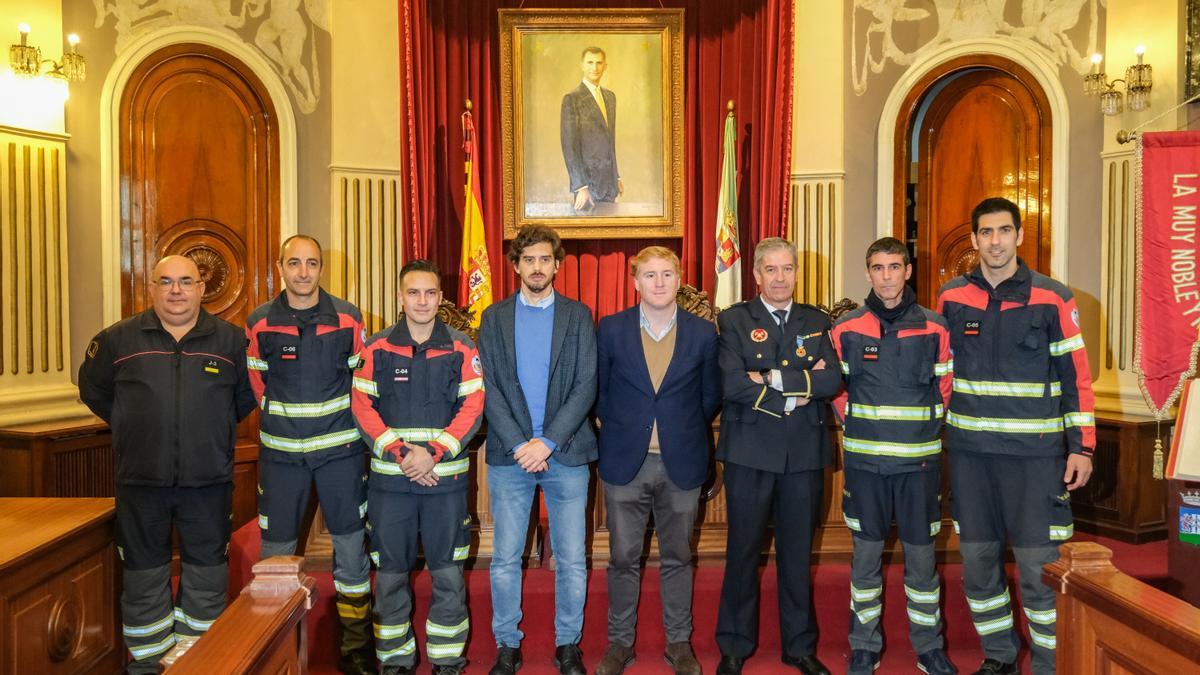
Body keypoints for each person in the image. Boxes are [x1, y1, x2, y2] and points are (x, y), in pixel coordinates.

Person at [937, 197, 1095, 675]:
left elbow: (1077, 379)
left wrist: (1081, 447)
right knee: (980, 568)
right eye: (986, 232)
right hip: (970, 461)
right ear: (975, 239)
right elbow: (939, 374)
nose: (996, 241)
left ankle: (1051, 663)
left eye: (1005, 231)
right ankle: (999, 656)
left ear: (1020, 236)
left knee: (1038, 575)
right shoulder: (951, 298)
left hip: (1035, 461)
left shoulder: (1053, 297)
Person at [78, 255, 256, 673]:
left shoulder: (232, 342)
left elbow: (243, 400)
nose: (176, 290)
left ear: (200, 288)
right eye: (167, 282)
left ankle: (199, 663)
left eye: (186, 282)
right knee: (143, 578)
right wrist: (133, 425)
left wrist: (205, 431)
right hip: (140, 484)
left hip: (208, 484)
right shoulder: (118, 340)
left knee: (207, 578)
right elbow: (96, 392)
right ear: (151, 288)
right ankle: (147, 664)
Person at [244, 234, 374, 675]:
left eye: (312, 263)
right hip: (281, 460)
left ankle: (355, 648)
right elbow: (258, 385)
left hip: (340, 454)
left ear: (322, 268)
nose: (303, 272)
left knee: (352, 549)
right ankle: (275, 646)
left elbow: (362, 385)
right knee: (277, 553)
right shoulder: (259, 322)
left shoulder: (348, 318)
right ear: (280, 266)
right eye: (294, 263)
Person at [713, 237, 841, 675]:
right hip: (750, 453)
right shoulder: (733, 320)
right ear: (756, 274)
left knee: (796, 554)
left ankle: (799, 647)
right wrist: (791, 394)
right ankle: (734, 645)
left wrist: (767, 375)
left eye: (788, 269)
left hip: (804, 454)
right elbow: (732, 384)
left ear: (796, 273)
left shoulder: (817, 320)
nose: (781, 277)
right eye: (772, 269)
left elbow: (831, 383)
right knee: (742, 552)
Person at [351, 260, 485, 675]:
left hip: (445, 484)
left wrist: (434, 452)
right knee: (390, 575)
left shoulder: (462, 347)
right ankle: (395, 660)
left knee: (447, 573)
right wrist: (403, 455)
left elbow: (473, 406)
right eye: (413, 293)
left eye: (429, 293)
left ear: (441, 299)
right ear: (400, 298)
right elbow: (362, 407)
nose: (422, 301)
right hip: (391, 486)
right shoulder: (375, 348)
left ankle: (447, 660)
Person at [830, 237, 957, 675]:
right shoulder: (845, 328)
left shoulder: (936, 327)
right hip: (865, 469)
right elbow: (837, 393)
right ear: (868, 273)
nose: (886, 276)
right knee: (865, 562)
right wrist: (864, 428)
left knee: (922, 563)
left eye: (894, 267)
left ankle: (928, 648)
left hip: (919, 468)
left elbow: (945, 389)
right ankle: (864, 646)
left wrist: (917, 428)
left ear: (907, 271)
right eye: (877, 268)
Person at [594, 246, 721, 675]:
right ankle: (619, 643)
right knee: (623, 559)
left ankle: (679, 643)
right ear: (635, 282)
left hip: (681, 461)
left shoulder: (704, 334)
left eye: (667, 274)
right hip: (625, 463)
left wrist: (675, 427)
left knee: (678, 558)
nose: (659, 282)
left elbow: (709, 398)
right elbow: (602, 394)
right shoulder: (610, 330)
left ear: (679, 279)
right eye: (650, 275)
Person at [478, 225, 597, 675]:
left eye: (545, 259)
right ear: (515, 266)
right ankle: (507, 644)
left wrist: (546, 442)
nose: (537, 267)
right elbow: (488, 387)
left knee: (571, 559)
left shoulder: (579, 315)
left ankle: (569, 644)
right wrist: (520, 444)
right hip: (511, 456)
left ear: (557, 265)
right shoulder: (492, 318)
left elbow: (587, 384)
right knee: (506, 558)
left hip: (565, 453)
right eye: (528, 260)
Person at [560, 46, 621, 212]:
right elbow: (569, 146)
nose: (595, 68)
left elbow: (610, 143)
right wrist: (580, 186)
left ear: (605, 66)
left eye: (599, 63)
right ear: (582, 65)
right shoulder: (572, 99)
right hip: (588, 187)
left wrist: (616, 175)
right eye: (590, 63)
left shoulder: (610, 97)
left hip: (609, 184)